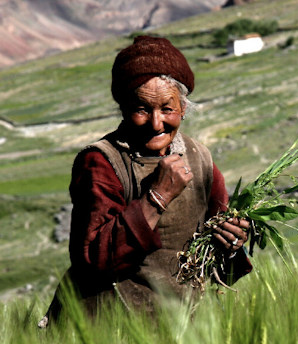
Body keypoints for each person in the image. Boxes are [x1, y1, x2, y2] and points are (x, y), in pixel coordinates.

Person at [40, 35, 251, 326]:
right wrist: (157, 198)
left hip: (181, 329)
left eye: (167, 108)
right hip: (106, 329)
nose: (156, 123)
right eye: (141, 109)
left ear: (184, 108)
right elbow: (92, 260)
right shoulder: (102, 162)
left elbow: (215, 253)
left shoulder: (199, 157)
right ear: (124, 109)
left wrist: (232, 241)